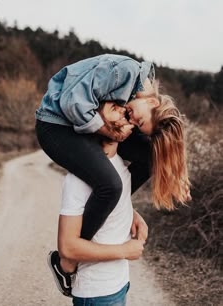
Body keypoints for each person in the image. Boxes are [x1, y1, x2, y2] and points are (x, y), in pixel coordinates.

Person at [35, 54, 191, 295]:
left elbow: (156, 146)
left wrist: (175, 174)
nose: (131, 121)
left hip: (80, 125)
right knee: (110, 185)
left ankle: (117, 203)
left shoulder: (138, 96)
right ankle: (65, 261)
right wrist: (111, 131)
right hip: (57, 125)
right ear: (152, 103)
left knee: (152, 155)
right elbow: (72, 102)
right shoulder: (126, 72)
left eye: (136, 125)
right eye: (137, 121)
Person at [49, 134, 146, 305]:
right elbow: (68, 247)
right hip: (97, 292)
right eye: (111, 110)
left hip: (120, 283)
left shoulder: (121, 165)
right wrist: (124, 251)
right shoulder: (77, 179)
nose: (119, 117)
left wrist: (131, 212)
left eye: (122, 112)